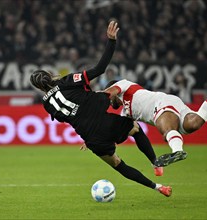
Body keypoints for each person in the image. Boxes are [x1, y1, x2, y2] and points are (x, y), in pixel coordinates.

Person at [29, 21, 170, 197]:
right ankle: (156, 163)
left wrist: (88, 134)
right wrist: (111, 41)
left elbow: (68, 117)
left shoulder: (46, 104)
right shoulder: (67, 81)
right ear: (49, 74)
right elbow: (100, 69)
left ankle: (158, 187)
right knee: (135, 129)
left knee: (119, 165)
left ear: (39, 88)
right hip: (103, 118)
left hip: (91, 137)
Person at [104, 60, 207, 167]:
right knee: (194, 124)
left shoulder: (124, 85)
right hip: (173, 104)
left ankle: (177, 151)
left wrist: (92, 100)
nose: (110, 103)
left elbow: (108, 93)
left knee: (166, 129)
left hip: (161, 103)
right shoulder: (125, 113)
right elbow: (128, 132)